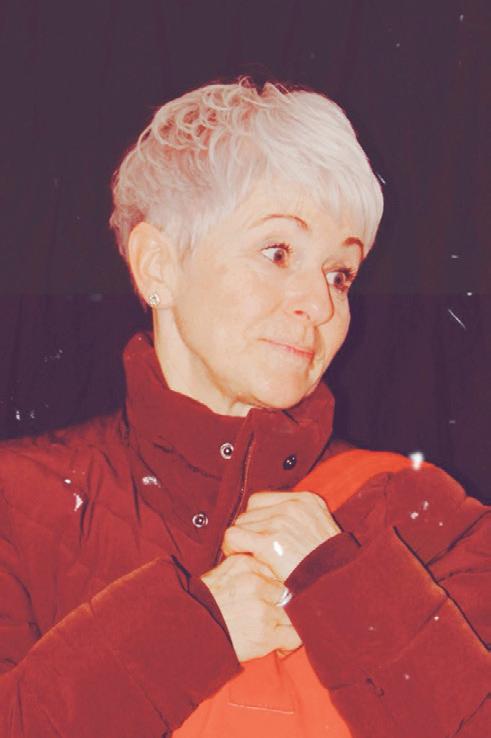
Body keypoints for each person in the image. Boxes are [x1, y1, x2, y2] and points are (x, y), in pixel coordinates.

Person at [0, 78, 489, 738]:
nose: (318, 304)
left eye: (339, 274)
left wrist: (345, 583)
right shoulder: (19, 503)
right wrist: (190, 631)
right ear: (158, 266)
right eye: (277, 252)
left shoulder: (415, 509)